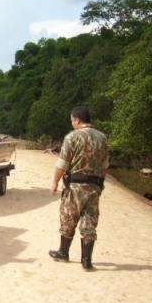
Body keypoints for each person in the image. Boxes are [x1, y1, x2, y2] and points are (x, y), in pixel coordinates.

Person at [49, 106, 109, 270]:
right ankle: (86, 260)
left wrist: (55, 182)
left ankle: (63, 252)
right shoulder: (102, 138)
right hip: (94, 185)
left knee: (68, 217)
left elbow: (62, 163)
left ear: (76, 119)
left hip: (75, 185)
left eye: (72, 120)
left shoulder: (72, 137)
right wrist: (100, 183)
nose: (72, 123)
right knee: (90, 221)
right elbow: (104, 165)